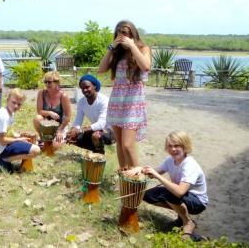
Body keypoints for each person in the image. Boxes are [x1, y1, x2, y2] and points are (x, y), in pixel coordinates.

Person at [98, 20, 151, 174]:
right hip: (117, 100)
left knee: (128, 144)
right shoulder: (117, 53)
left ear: (132, 34)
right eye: (119, 34)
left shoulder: (143, 48)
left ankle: (137, 179)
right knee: (120, 144)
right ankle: (123, 177)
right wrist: (111, 47)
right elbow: (101, 69)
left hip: (133, 101)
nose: (122, 37)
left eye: (125, 33)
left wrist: (132, 46)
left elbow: (146, 66)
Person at [142, 131, 208, 240]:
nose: (173, 149)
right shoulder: (170, 160)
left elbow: (180, 191)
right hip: (181, 196)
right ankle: (181, 219)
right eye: (170, 146)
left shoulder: (189, 164)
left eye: (177, 145)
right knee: (147, 195)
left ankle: (188, 222)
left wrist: (158, 176)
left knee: (170, 193)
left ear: (185, 146)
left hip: (198, 201)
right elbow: (153, 172)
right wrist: (139, 169)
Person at [0, 88, 41, 173]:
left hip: (1, 146)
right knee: (36, 150)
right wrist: (18, 139)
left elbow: (8, 132)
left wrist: (19, 135)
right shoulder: (3, 116)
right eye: (14, 102)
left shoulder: (9, 112)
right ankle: (5, 159)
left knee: (31, 140)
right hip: (0, 148)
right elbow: (1, 140)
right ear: (7, 100)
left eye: (19, 104)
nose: (16, 106)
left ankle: (15, 162)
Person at [66, 75, 113, 154]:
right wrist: (74, 130)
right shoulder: (82, 102)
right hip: (97, 130)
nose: (85, 90)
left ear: (94, 86)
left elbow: (102, 124)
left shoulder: (104, 100)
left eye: (87, 87)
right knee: (72, 137)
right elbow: (78, 120)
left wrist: (80, 130)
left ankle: (99, 155)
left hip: (110, 132)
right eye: (82, 88)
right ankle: (94, 148)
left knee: (96, 136)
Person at [33, 71, 72, 150]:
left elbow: (68, 117)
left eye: (49, 82)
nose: (47, 84)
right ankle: (43, 138)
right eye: (45, 82)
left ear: (57, 82)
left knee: (54, 147)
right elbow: (39, 110)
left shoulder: (63, 96)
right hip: (46, 124)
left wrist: (60, 131)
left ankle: (51, 141)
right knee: (37, 118)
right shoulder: (41, 93)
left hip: (60, 125)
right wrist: (49, 113)